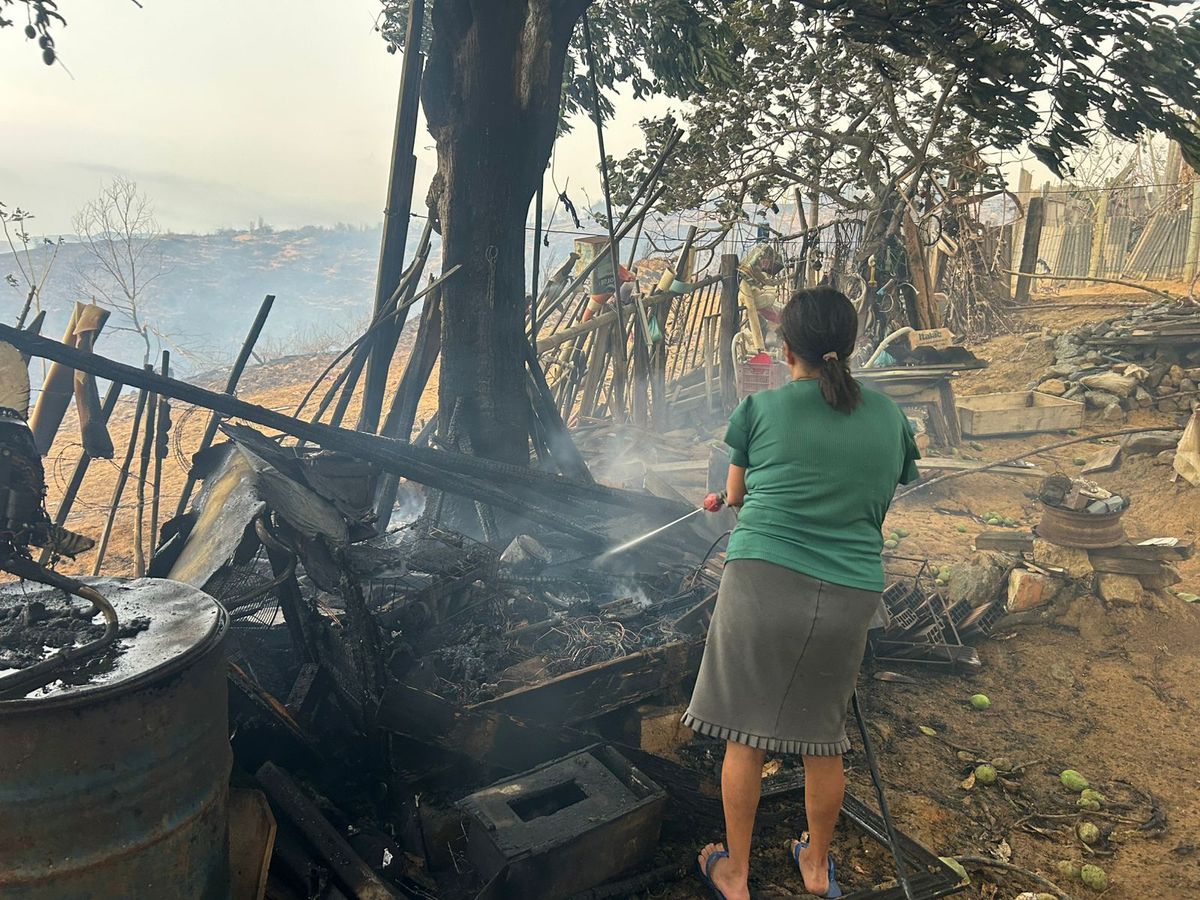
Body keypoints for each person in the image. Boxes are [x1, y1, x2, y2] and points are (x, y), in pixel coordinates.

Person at [685, 287, 920, 899]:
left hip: (762, 579)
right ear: (852, 346)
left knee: (745, 734)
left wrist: (740, 493)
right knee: (824, 735)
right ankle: (816, 867)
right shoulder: (890, 417)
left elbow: (735, 498)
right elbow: (882, 488)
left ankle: (734, 873)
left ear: (785, 348)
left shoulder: (759, 410)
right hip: (850, 591)